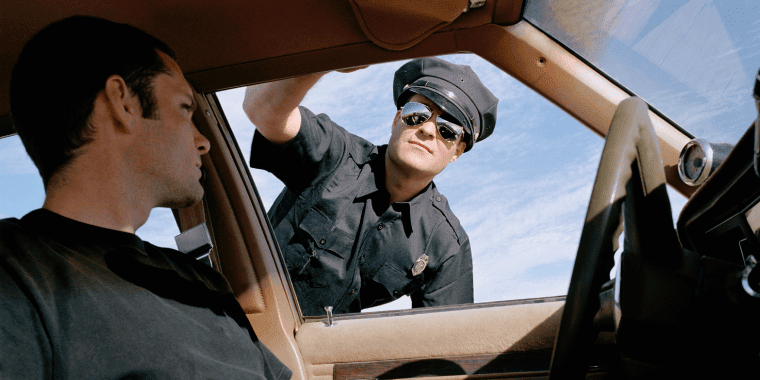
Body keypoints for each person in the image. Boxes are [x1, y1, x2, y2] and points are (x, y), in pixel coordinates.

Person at [1, 16, 291, 380]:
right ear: (123, 103)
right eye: (186, 109)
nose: (204, 142)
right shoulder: (13, 274)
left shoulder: (200, 279)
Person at [243, 57, 498, 316]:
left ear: (457, 151)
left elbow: (446, 337)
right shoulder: (337, 154)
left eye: (448, 130)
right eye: (417, 114)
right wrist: (326, 58)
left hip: (313, 351)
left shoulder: (445, 244)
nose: (428, 130)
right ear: (396, 120)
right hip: (235, 312)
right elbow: (262, 109)